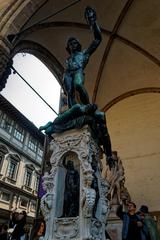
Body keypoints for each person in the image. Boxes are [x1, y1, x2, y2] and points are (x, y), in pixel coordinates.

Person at [63, 6, 102, 108]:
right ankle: (72, 111)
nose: (73, 44)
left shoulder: (84, 53)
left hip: (78, 70)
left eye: (75, 43)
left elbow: (97, 39)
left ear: (79, 45)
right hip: (67, 73)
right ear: (68, 48)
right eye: (70, 44)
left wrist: (93, 22)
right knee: (69, 93)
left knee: (78, 85)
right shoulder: (68, 59)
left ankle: (88, 105)